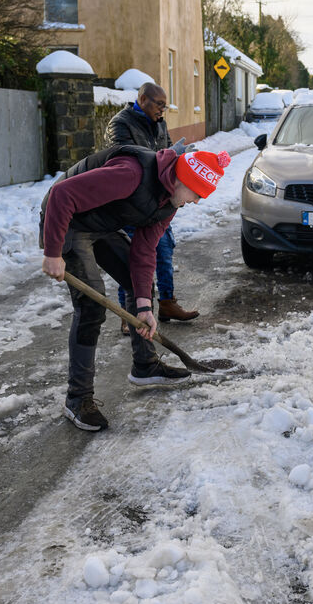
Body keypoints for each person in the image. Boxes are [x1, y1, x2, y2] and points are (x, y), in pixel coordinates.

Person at [41, 143, 231, 431]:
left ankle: (145, 364)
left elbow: (144, 251)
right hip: (67, 220)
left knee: (140, 282)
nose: (196, 202)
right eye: (196, 194)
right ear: (183, 181)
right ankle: (77, 398)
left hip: (101, 223)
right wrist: (53, 252)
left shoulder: (169, 202)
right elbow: (61, 194)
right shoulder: (131, 173)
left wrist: (144, 306)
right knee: (91, 305)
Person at [107, 81, 199, 324]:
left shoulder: (159, 124)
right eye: (159, 104)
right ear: (143, 99)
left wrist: (178, 155)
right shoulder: (120, 123)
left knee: (164, 251)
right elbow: (126, 159)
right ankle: (129, 315)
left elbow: (167, 152)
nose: (163, 110)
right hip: (129, 203)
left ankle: (167, 304)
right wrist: (165, 156)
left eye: (165, 106)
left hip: (157, 202)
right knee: (131, 259)